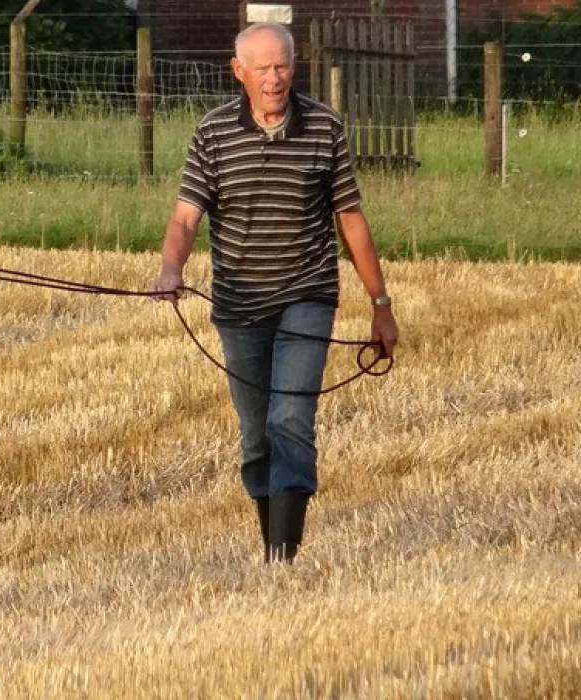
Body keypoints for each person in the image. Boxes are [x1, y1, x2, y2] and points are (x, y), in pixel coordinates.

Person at [146, 21, 399, 563]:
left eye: (282, 65)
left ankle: (284, 557)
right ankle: (271, 548)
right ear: (239, 72)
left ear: (295, 65)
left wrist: (381, 304)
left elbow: (349, 219)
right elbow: (187, 216)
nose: (274, 78)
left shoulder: (325, 127)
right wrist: (171, 268)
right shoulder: (212, 132)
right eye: (261, 68)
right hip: (238, 304)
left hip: (308, 293)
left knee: (290, 418)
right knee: (256, 431)